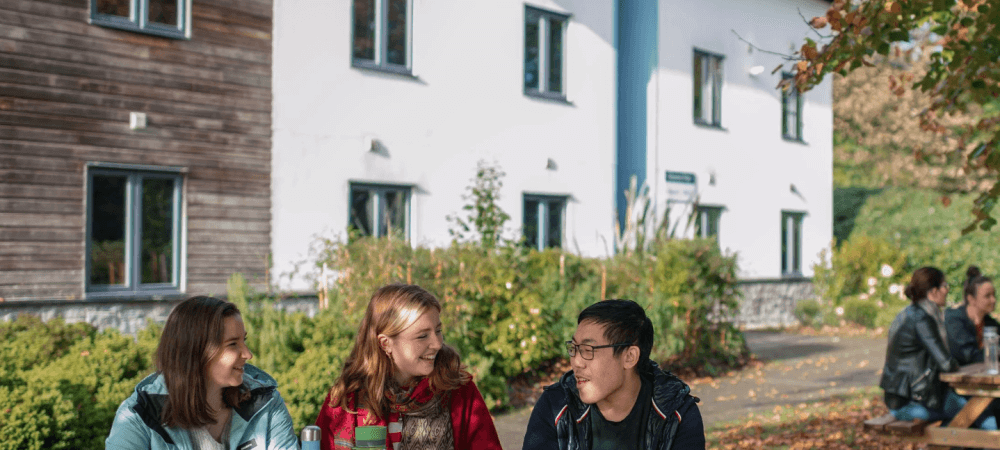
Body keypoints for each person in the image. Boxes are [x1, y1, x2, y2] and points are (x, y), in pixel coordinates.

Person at [314, 283, 502, 450]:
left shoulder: (459, 391)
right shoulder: (347, 401)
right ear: (386, 344)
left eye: (438, 331)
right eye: (422, 336)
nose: (437, 344)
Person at [106, 296, 298, 450]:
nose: (248, 354)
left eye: (244, 341)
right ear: (196, 352)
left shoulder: (266, 403)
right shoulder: (139, 415)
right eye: (233, 344)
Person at [522, 299, 705, 450]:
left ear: (629, 357)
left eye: (588, 349)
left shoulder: (676, 413)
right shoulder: (556, 406)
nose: (576, 361)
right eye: (574, 348)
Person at [880, 266, 966, 424]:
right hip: (909, 403)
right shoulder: (922, 319)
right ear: (933, 292)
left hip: (911, 396)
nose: (947, 290)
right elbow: (946, 364)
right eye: (944, 286)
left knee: (969, 415)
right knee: (974, 415)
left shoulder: (910, 313)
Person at [946, 266, 1000, 366]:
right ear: (971, 299)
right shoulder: (954, 320)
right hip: (955, 379)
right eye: (987, 296)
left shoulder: (990, 322)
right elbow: (968, 356)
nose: (993, 300)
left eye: (994, 295)